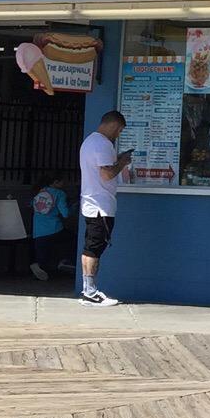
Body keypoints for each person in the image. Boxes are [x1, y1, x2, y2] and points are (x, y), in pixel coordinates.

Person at [78, 111, 133, 306]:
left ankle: (87, 289)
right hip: (100, 205)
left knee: (89, 247)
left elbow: (101, 168)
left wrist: (116, 160)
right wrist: (123, 162)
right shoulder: (102, 144)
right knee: (95, 249)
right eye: (119, 130)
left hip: (91, 203)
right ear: (113, 125)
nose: (118, 134)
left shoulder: (90, 142)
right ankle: (91, 292)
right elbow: (107, 174)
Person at [29, 172, 73, 281]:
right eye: (62, 181)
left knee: (42, 254)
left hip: (38, 229)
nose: (64, 183)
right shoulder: (59, 193)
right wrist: (74, 207)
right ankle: (66, 262)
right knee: (72, 240)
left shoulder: (40, 191)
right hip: (54, 228)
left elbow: (31, 205)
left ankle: (38, 268)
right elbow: (65, 213)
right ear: (55, 182)